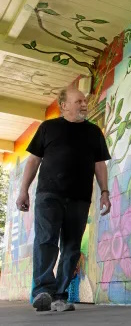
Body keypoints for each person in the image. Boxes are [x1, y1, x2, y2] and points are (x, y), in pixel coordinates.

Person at [15, 86, 112, 312]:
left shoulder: (94, 132)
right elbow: (33, 161)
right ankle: (42, 292)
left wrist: (105, 192)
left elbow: (100, 165)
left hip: (79, 198)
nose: (84, 104)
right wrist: (23, 190)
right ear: (64, 105)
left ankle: (59, 295)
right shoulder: (48, 127)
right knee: (46, 240)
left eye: (84, 101)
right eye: (78, 101)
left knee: (71, 247)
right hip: (49, 194)